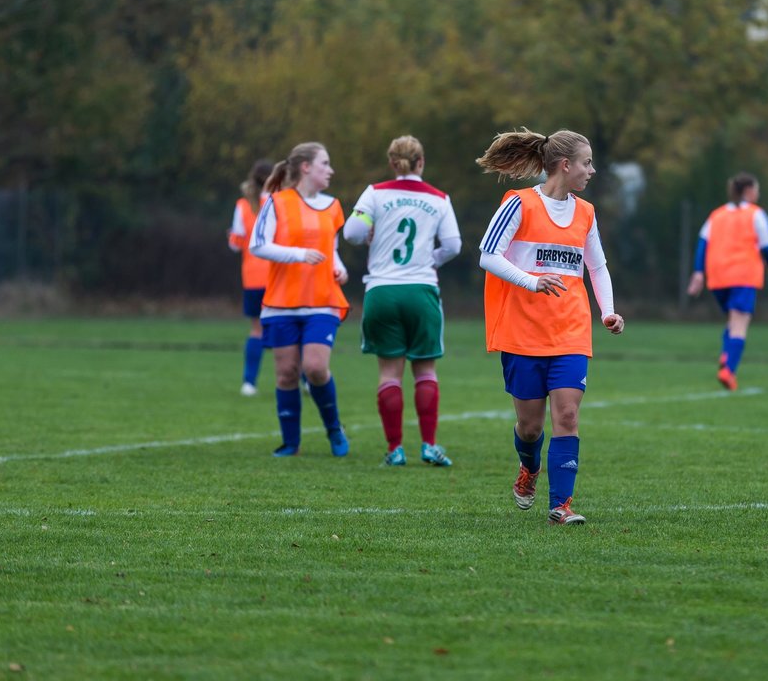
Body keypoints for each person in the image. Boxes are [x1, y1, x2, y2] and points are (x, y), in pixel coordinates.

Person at [477, 128, 624, 526]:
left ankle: (561, 505)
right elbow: (488, 256)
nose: (592, 170)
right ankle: (529, 469)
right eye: (586, 162)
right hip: (522, 332)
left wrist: (607, 311)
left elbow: (597, 266)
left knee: (568, 416)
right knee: (529, 427)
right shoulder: (519, 204)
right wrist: (532, 280)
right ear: (565, 165)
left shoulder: (587, 212)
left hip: (571, 331)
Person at [342, 135, 462, 468]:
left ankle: (395, 449)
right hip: (421, 290)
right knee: (425, 370)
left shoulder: (375, 193)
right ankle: (429, 445)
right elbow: (453, 245)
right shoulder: (439, 198)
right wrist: (428, 260)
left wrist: (370, 234)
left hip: (382, 290)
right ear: (421, 162)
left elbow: (351, 233)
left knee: (389, 375)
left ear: (393, 163)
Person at [250, 142, 353, 457]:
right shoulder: (277, 203)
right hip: (281, 304)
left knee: (315, 368)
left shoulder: (333, 205)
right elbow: (258, 245)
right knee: (286, 373)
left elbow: (331, 249)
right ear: (306, 167)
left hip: (322, 301)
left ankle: (334, 428)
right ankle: (290, 443)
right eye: (325, 163)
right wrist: (298, 255)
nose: (330, 170)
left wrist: (339, 268)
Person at [686, 173, 768, 392]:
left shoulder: (716, 215)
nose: (758, 193)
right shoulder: (756, 214)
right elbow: (766, 246)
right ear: (748, 191)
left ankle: (726, 354)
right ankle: (729, 370)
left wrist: (699, 272)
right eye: (757, 189)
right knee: (740, 323)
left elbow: (702, 243)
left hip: (718, 277)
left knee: (733, 320)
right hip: (743, 274)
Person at [228, 159, 275, 396]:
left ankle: (249, 383)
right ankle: (307, 380)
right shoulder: (282, 203)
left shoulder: (243, 204)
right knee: (286, 328)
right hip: (279, 276)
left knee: (256, 329)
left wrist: (233, 238)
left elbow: (235, 243)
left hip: (253, 277)